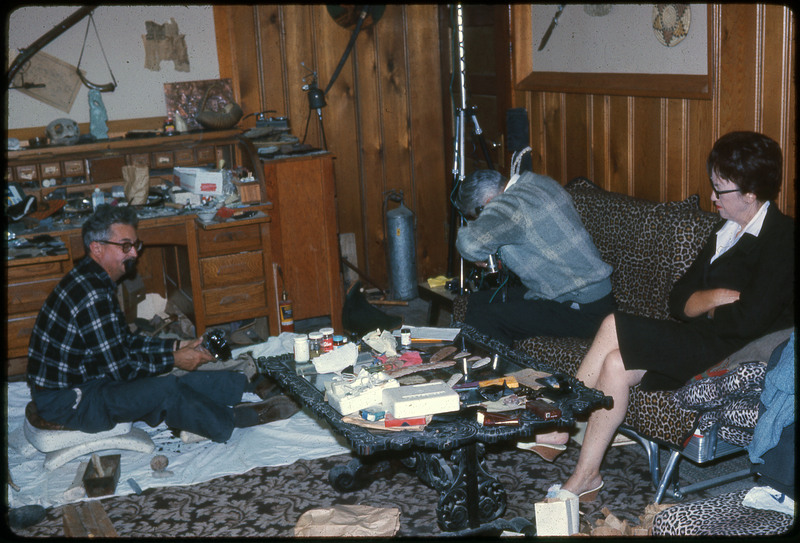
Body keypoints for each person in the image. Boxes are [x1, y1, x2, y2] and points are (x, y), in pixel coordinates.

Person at [537, 131, 794, 502]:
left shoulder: (782, 238)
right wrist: (715, 298)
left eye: (719, 189)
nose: (712, 197)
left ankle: (559, 424)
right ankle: (586, 477)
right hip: (702, 339)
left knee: (613, 325)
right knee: (615, 364)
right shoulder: (725, 231)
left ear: (750, 194)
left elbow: (748, 322)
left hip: (729, 352)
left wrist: (701, 306)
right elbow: (679, 301)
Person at [26, 204, 295, 443]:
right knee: (164, 387)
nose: (133, 253)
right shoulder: (92, 293)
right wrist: (174, 359)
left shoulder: (93, 280)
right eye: (124, 246)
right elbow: (123, 370)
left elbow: (124, 342)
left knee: (169, 371)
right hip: (70, 401)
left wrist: (178, 345)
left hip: (89, 380)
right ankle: (230, 420)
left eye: (135, 245)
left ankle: (244, 386)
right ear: (96, 247)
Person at [454, 169, 615, 345]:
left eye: (479, 215)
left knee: (485, 318)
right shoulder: (536, 182)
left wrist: (481, 253)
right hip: (581, 296)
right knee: (477, 301)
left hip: (583, 308)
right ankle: (466, 364)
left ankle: (498, 371)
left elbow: (468, 245)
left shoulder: (510, 206)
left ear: (487, 203)